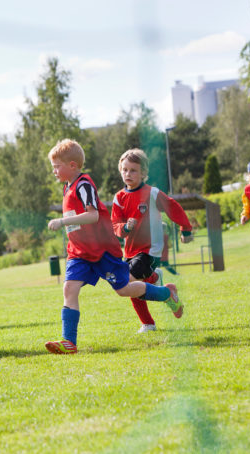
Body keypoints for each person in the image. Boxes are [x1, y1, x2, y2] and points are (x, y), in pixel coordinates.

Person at [45, 139, 182, 354]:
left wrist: (62, 222)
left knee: (124, 289)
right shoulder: (67, 187)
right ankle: (69, 342)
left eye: (56, 166)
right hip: (79, 253)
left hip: (101, 251)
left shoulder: (83, 185)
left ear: (72, 165)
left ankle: (166, 294)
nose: (54, 171)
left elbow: (91, 216)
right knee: (69, 288)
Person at [111, 148, 193, 333]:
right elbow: (115, 224)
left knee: (127, 282)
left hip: (150, 251)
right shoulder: (119, 198)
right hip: (130, 252)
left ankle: (150, 319)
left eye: (133, 170)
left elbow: (174, 208)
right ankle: (159, 291)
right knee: (131, 286)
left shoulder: (152, 193)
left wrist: (186, 229)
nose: (128, 174)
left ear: (143, 173)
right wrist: (125, 228)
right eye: (124, 170)